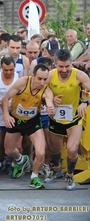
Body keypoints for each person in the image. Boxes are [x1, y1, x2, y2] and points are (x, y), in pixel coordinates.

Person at [2, 64, 54, 189]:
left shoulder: (46, 90)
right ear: (33, 76)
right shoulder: (22, 82)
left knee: (41, 152)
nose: (42, 82)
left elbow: (50, 103)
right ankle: (21, 160)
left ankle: (34, 177)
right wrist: (6, 116)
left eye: (45, 79)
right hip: (16, 119)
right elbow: (6, 99)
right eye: (39, 79)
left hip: (32, 121)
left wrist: (51, 109)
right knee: (8, 150)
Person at [47, 49, 90, 190]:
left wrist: (85, 102)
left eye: (67, 66)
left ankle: (70, 175)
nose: (64, 70)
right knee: (54, 148)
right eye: (61, 66)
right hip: (55, 118)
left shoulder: (79, 75)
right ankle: (57, 169)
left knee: (72, 150)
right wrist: (50, 100)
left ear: (71, 63)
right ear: (55, 64)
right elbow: (40, 92)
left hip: (73, 119)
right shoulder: (50, 75)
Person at [0, 55, 19, 177]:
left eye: (11, 70)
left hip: (14, 114)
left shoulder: (19, 78)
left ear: (14, 67)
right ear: (1, 67)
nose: (8, 72)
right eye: (5, 70)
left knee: (16, 145)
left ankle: (13, 164)